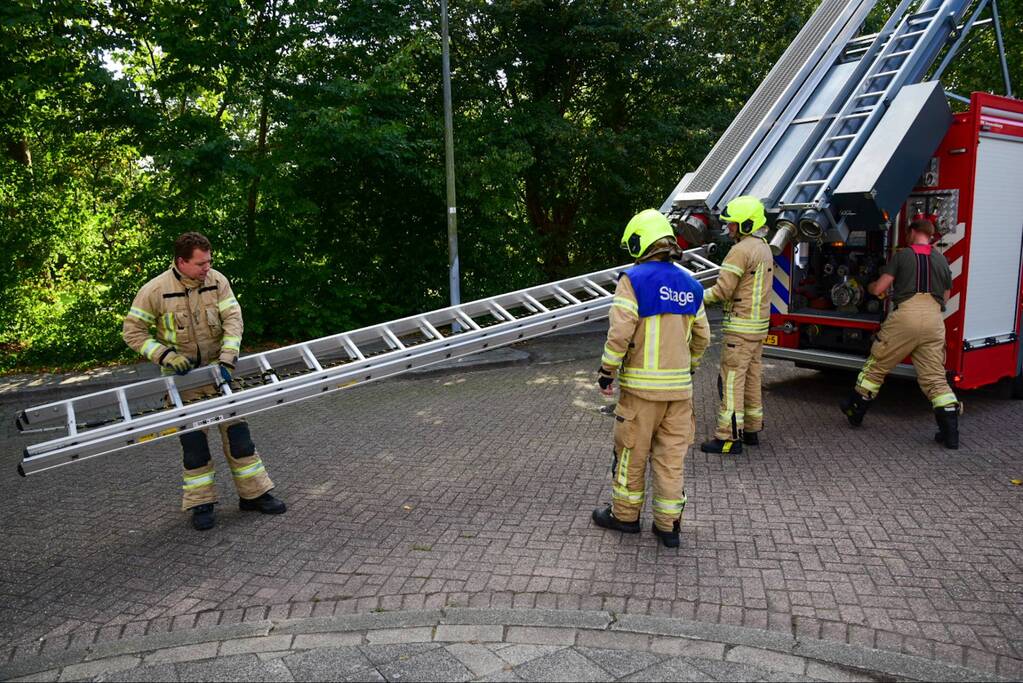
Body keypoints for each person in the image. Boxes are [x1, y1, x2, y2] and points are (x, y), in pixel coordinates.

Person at [123, 232, 287, 530]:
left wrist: (228, 357)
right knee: (195, 446)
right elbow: (133, 332)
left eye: (209, 261)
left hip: (220, 373)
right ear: (181, 261)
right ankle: (201, 504)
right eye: (200, 263)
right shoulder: (155, 290)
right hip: (182, 381)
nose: (207, 268)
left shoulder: (217, 281)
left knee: (240, 440)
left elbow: (233, 319)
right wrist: (166, 356)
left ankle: (254, 495)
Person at [592, 209, 711, 548]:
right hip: (679, 393)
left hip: (642, 394)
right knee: (671, 461)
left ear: (640, 242)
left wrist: (607, 373)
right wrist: (689, 368)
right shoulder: (691, 284)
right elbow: (702, 337)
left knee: (631, 453)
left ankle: (625, 518)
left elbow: (620, 333)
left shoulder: (634, 280)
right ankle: (668, 526)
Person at [840, 218, 960, 448]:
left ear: (913, 232)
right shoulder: (942, 260)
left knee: (877, 366)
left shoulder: (903, 256)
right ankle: (950, 434)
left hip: (907, 316)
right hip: (934, 320)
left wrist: (870, 287)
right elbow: (945, 297)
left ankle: (854, 410)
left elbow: (880, 288)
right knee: (934, 376)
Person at [699, 196, 774, 455]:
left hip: (740, 329)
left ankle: (729, 437)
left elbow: (723, 290)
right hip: (758, 327)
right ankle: (751, 429)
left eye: (733, 225)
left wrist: (696, 299)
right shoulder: (763, 247)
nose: (728, 228)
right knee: (752, 378)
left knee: (731, 380)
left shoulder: (740, 250)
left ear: (746, 224)